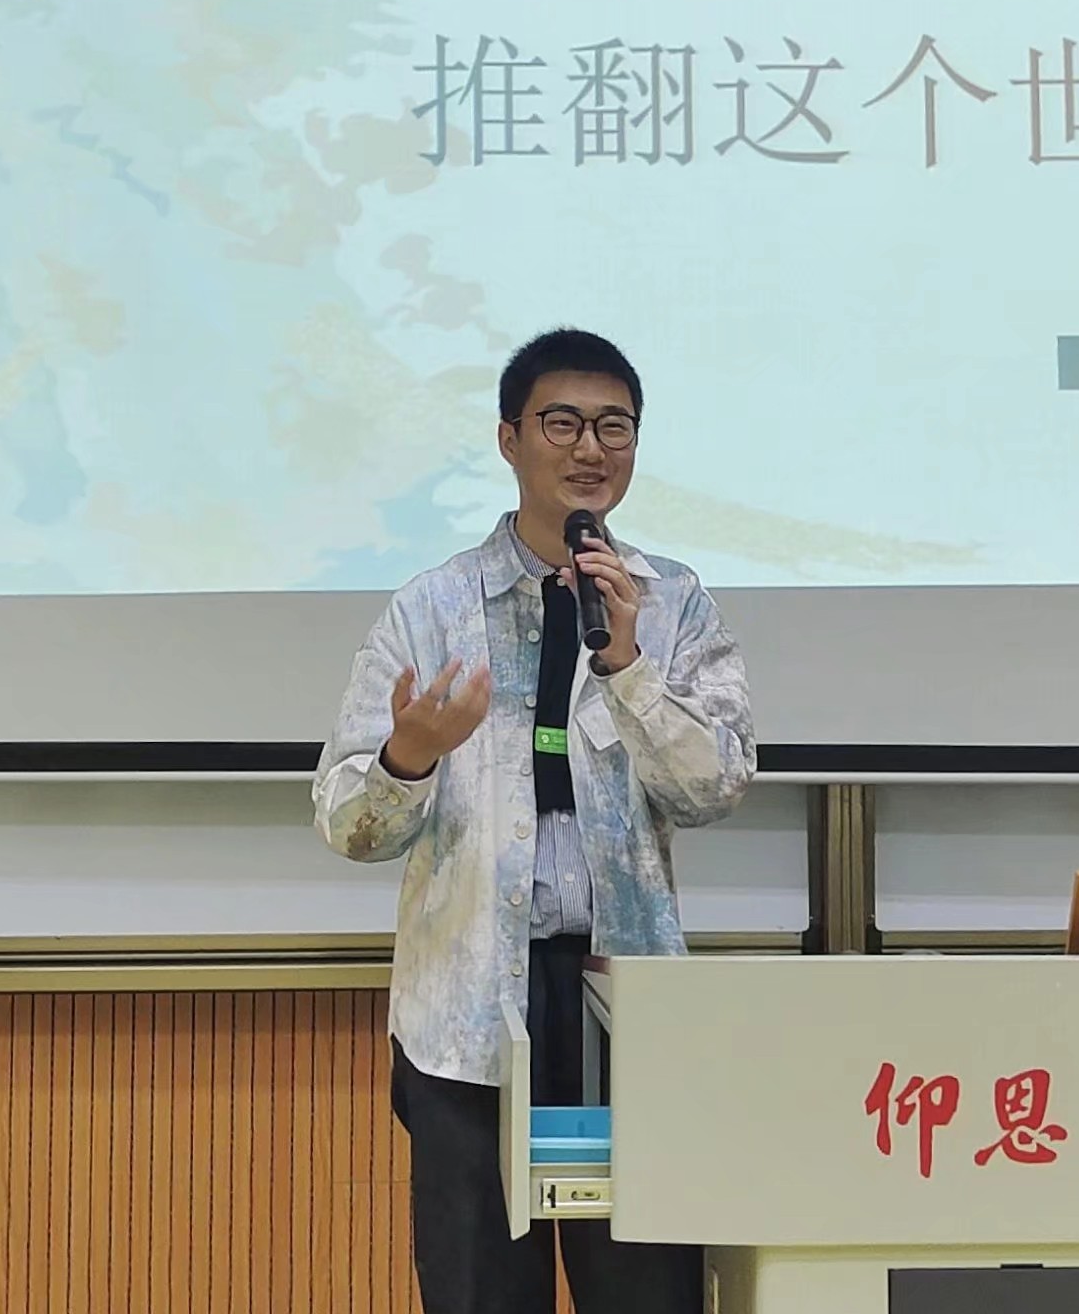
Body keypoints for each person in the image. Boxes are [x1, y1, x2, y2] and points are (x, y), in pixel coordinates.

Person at [314, 328, 755, 1314]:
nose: (590, 447)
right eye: (563, 423)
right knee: (481, 1292)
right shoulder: (430, 609)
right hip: (469, 1013)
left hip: (624, 1008)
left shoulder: (672, 604)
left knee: (650, 1293)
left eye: (615, 427)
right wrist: (408, 756)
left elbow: (715, 788)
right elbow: (348, 825)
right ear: (510, 438)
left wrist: (629, 666)